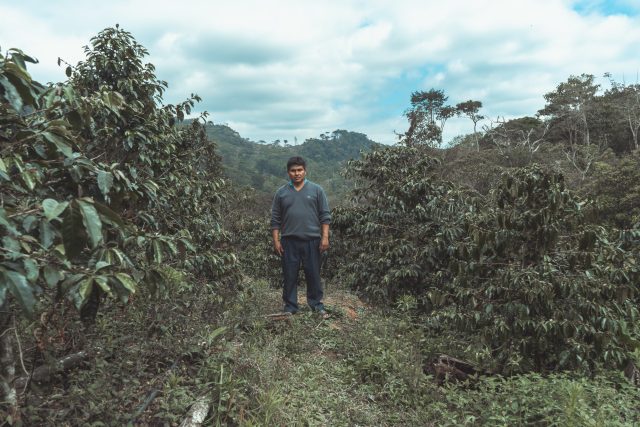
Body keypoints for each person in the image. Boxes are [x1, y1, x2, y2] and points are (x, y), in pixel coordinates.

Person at [271, 156, 331, 318]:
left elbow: (325, 216)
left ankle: (316, 306)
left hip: (312, 241)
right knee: (289, 274)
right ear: (288, 172)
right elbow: (275, 219)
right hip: (289, 242)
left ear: (305, 171)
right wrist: (276, 240)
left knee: (313, 274)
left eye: (299, 170)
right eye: (293, 171)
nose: (297, 173)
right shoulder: (281, 193)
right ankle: (290, 307)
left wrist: (325, 237)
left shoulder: (317, 190)